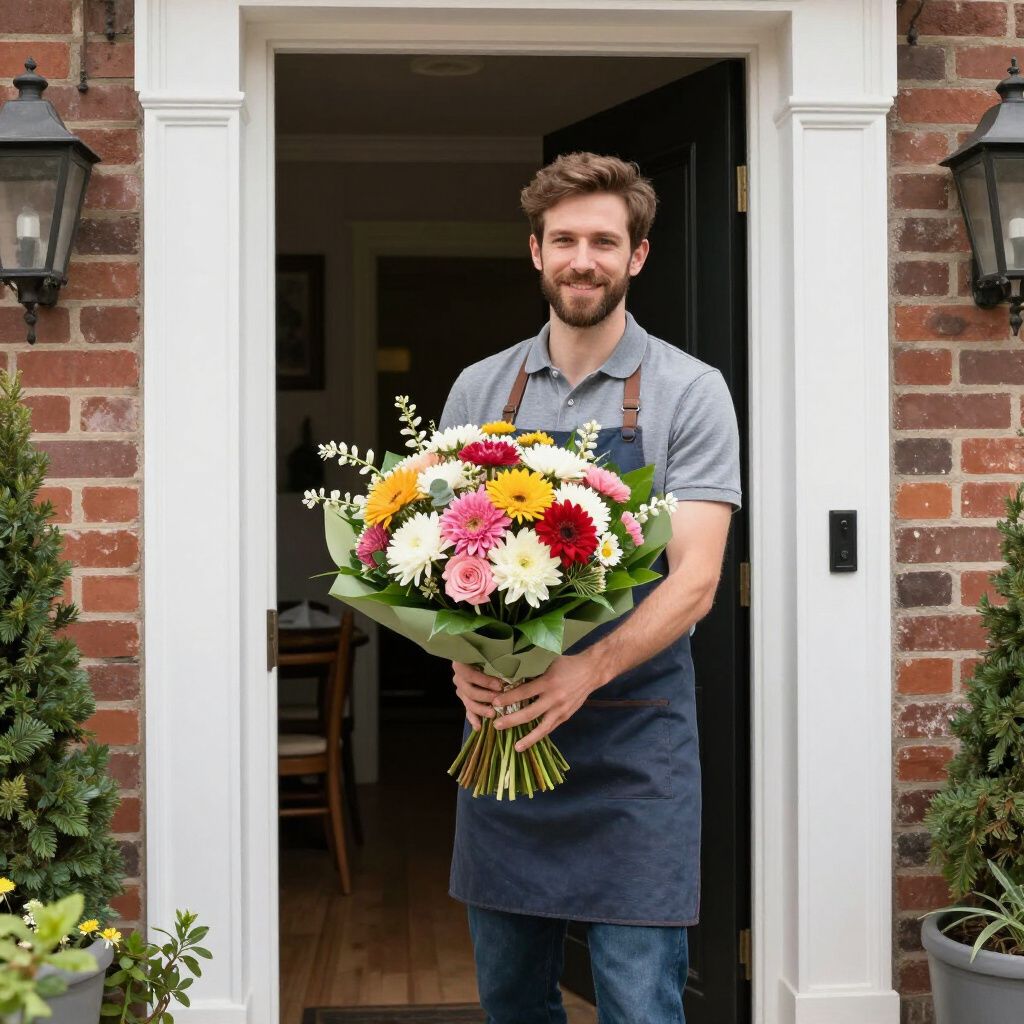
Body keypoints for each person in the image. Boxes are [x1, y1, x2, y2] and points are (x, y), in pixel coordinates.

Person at [437, 152, 742, 1024]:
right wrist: (462, 661)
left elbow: (696, 582)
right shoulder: (481, 388)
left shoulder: (690, 392)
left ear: (636, 257)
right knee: (509, 1000)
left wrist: (584, 671)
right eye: (564, 239)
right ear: (535, 251)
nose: (584, 259)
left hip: (635, 747)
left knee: (641, 1002)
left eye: (604, 241)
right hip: (505, 737)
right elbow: (439, 563)